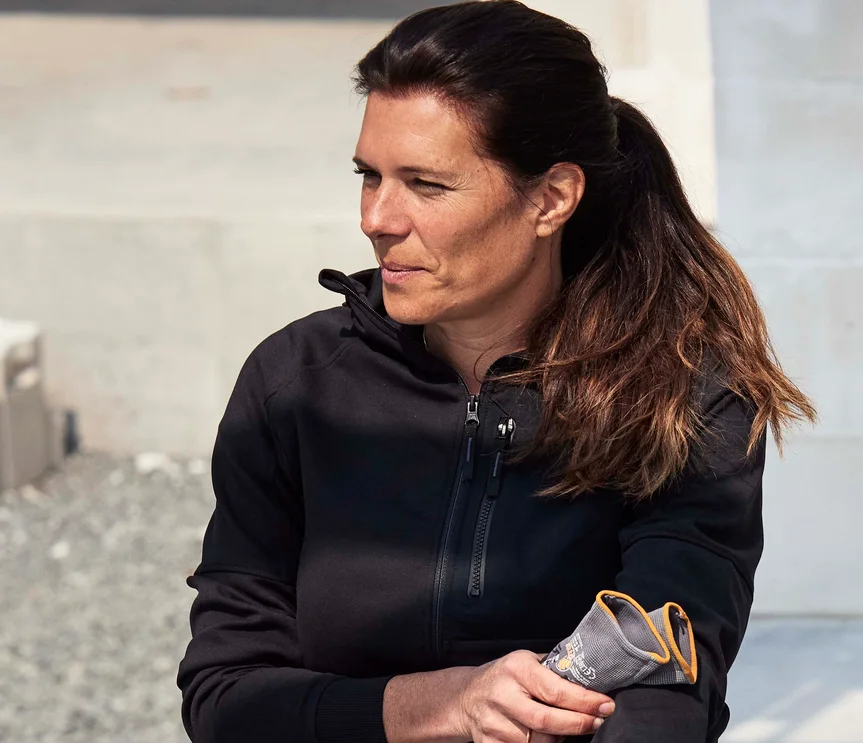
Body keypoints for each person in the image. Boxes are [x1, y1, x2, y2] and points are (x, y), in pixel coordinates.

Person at [174, 2, 813, 741]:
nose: (377, 218)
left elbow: (666, 690)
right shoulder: (294, 382)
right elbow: (225, 698)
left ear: (551, 198)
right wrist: (443, 703)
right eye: (369, 175)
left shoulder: (678, 397)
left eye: (426, 184)